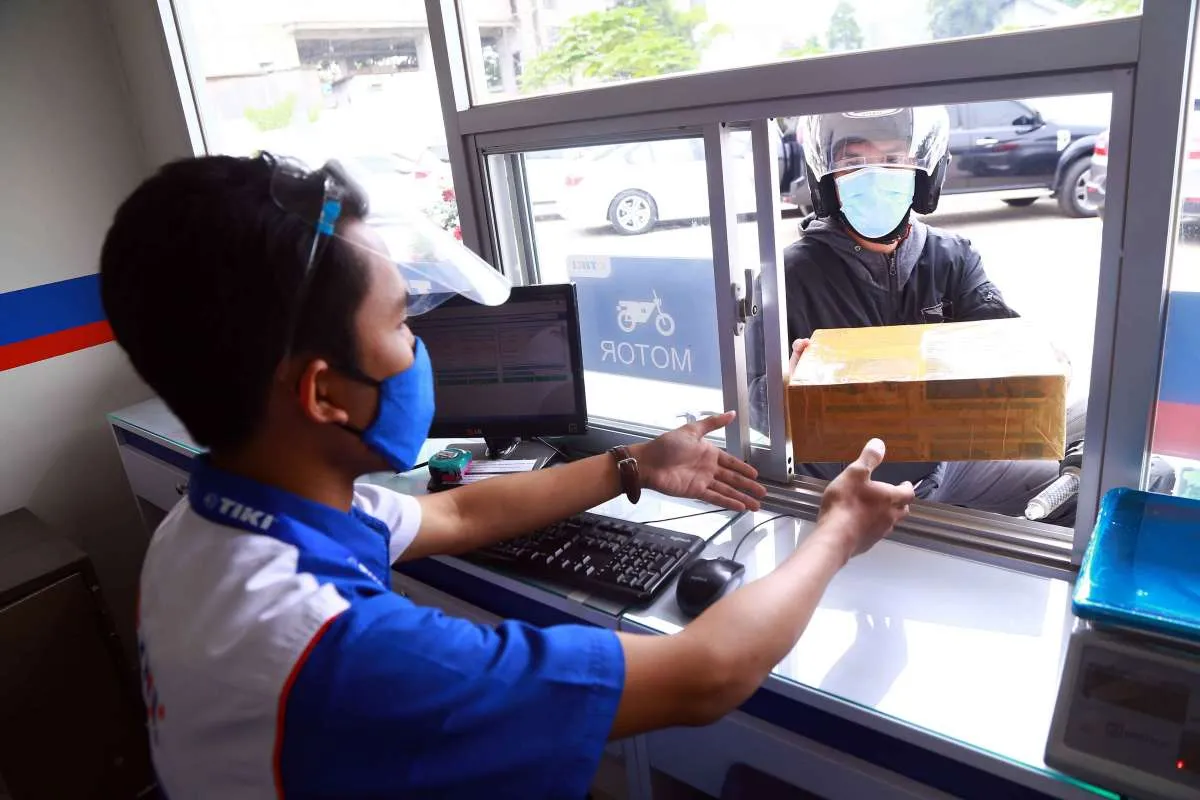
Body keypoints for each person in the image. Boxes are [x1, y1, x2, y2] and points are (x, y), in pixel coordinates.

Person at [101, 153, 916, 798]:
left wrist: (633, 464)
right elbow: (706, 676)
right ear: (322, 392)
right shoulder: (347, 655)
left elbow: (454, 520)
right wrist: (838, 529)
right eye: (400, 323)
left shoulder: (209, 526)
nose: (421, 349)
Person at [747, 107, 1174, 525]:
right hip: (856, 476)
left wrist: (1034, 357)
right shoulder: (788, 277)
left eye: (893, 159)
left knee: (1135, 456)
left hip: (956, 453)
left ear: (924, 173)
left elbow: (1003, 338)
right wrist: (788, 390)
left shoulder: (951, 256)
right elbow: (757, 409)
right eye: (854, 161)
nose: (874, 175)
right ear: (827, 180)